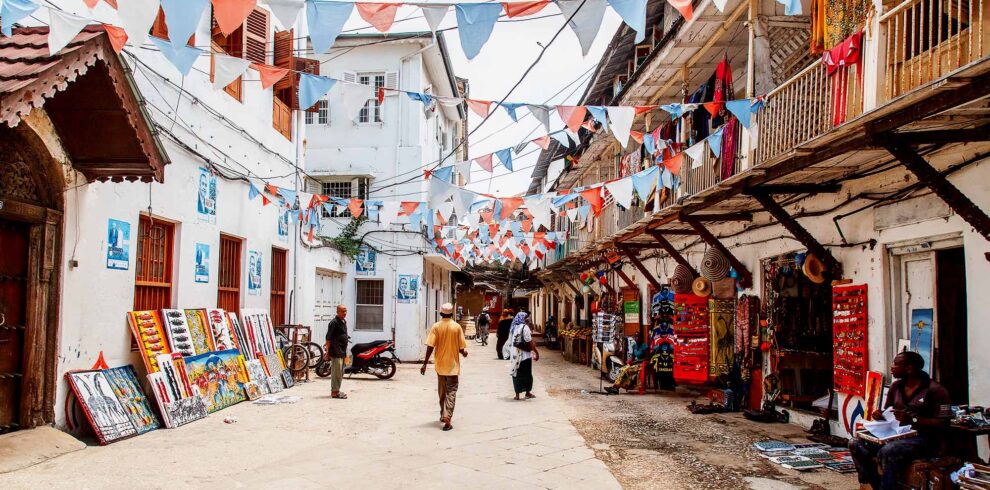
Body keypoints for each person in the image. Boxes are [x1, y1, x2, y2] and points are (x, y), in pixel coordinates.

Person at [849, 351, 952, 490]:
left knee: (889, 451)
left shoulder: (935, 390)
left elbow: (944, 423)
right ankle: (875, 484)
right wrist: (880, 415)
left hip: (924, 438)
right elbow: (888, 412)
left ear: (909, 368)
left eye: (896, 364)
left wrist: (913, 420)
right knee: (855, 443)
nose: (892, 367)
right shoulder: (895, 387)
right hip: (895, 434)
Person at [420, 303, 468, 431]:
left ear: (441, 314)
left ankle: (443, 414)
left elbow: (430, 346)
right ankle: (447, 417)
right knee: (451, 391)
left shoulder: (436, 327)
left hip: (440, 366)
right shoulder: (456, 327)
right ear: (452, 314)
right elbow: (461, 348)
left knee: (442, 392)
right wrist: (464, 353)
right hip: (452, 366)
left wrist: (425, 363)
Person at [508, 312, 539, 400]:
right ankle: (528, 393)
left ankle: (517, 395)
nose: (528, 318)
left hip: (515, 355)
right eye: (526, 317)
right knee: (527, 375)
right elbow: (530, 342)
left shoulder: (514, 327)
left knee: (517, 374)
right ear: (523, 318)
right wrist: (536, 352)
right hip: (524, 356)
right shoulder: (525, 327)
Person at [325, 305, 349, 399]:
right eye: (343, 311)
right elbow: (328, 338)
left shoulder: (343, 322)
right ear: (337, 312)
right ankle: (334, 392)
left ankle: (337, 390)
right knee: (336, 372)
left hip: (342, 351)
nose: (345, 313)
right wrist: (327, 352)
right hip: (335, 350)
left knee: (341, 371)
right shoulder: (333, 323)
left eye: (345, 311)